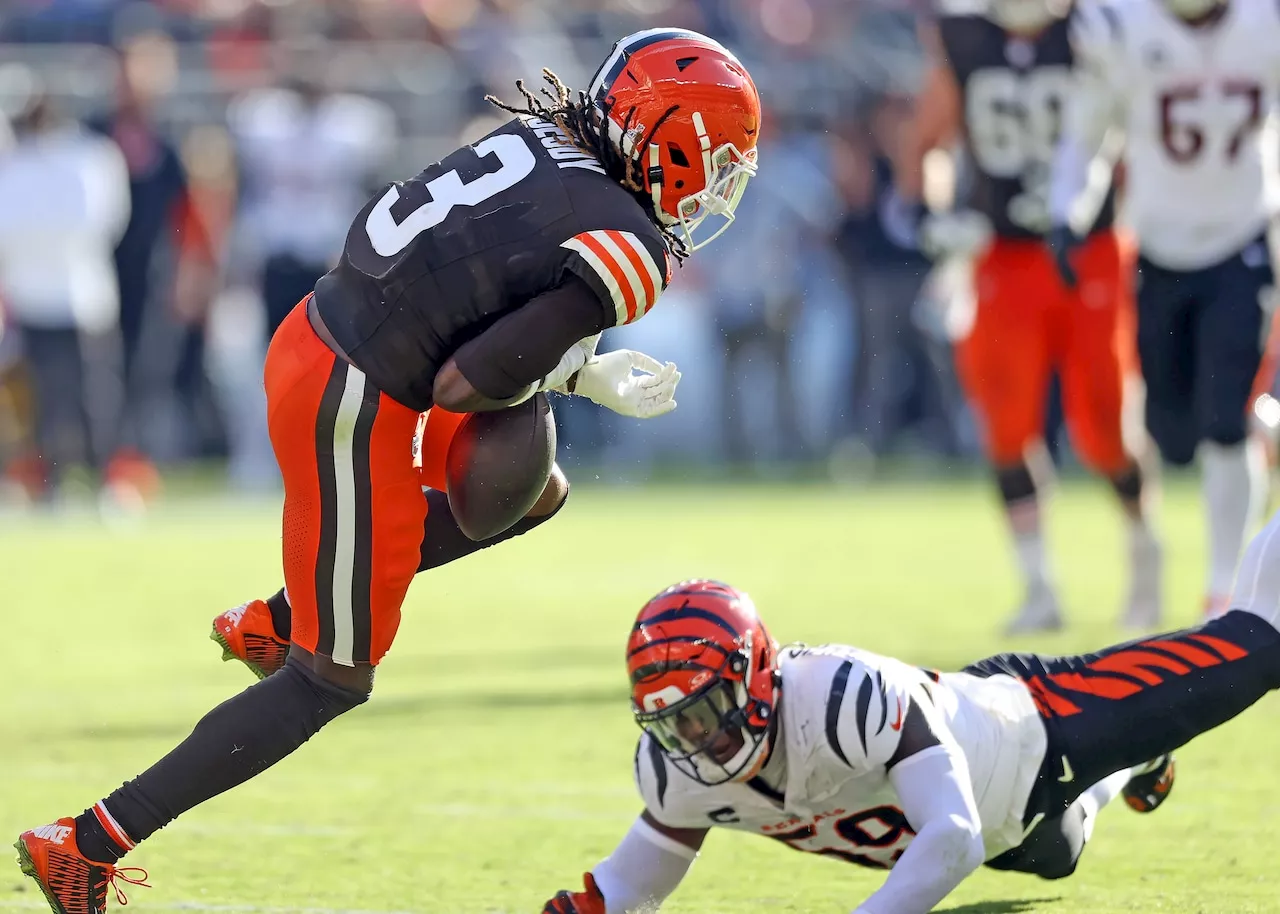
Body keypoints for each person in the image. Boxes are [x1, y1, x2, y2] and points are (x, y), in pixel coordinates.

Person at [13, 28, 761, 914]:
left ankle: (279, 617)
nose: (716, 186)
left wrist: (555, 365)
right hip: (355, 389)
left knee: (533, 490)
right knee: (330, 679)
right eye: (714, 160)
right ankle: (86, 844)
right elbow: (470, 378)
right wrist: (574, 370)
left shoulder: (545, 136)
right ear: (666, 140)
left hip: (327, 330)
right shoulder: (631, 246)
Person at [539, 518, 1280, 914]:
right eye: (678, 726)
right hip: (1004, 826)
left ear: (756, 673)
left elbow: (951, 836)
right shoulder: (679, 773)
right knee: (1058, 852)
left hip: (1033, 723)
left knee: (1254, 649)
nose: (697, 741)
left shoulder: (839, 699)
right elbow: (631, 891)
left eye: (708, 711)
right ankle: (1137, 762)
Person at [897, 0, 1162, 633]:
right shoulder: (965, 37)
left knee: (1104, 424)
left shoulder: (1095, 29)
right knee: (1007, 423)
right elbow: (926, 142)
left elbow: (1138, 136)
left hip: (1092, 251)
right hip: (1004, 258)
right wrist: (934, 215)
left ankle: (1144, 549)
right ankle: (1039, 587)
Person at [1049, 0, 1280, 618]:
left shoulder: (1266, 22)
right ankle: (1263, 436)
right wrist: (1068, 209)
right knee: (1173, 433)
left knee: (1225, 421)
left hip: (1245, 239)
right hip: (1158, 251)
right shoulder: (1120, 24)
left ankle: (1222, 592)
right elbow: (1089, 130)